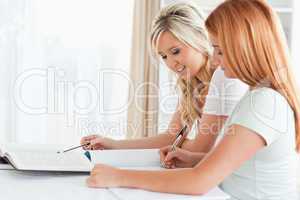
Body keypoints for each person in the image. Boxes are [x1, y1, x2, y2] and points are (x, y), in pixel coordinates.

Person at [85, 0, 300, 199]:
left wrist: (120, 176)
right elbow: (237, 162)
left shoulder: (262, 101)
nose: (215, 59)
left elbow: (199, 180)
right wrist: (193, 158)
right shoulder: (257, 97)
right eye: (164, 56)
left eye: (220, 51)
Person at [80, 2, 248, 168]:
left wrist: (178, 145)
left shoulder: (224, 76)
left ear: (198, 38)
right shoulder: (192, 84)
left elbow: (201, 148)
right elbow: (171, 137)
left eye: (175, 51)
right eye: (164, 56)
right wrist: (113, 144)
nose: (171, 63)